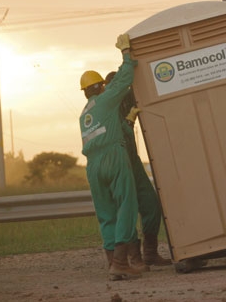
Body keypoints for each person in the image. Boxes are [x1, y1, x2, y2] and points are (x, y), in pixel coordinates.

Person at [79, 33, 144, 281]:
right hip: (113, 157)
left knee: (106, 212)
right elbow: (125, 79)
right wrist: (126, 54)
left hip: (93, 165)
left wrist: (127, 121)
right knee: (127, 205)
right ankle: (120, 262)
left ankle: (112, 265)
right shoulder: (107, 99)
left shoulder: (85, 113)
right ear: (100, 87)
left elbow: (105, 130)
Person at [104, 71, 171, 267]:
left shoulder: (127, 95)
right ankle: (135, 258)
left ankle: (150, 252)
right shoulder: (106, 105)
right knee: (127, 210)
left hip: (133, 160)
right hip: (118, 162)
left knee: (150, 204)